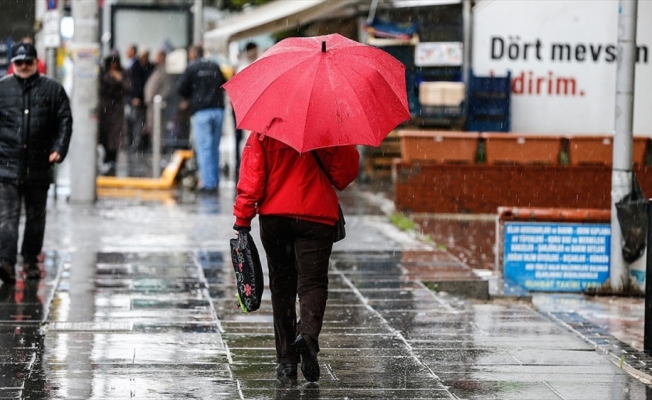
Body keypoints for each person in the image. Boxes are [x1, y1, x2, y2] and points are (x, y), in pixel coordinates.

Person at [233, 134, 359, 384]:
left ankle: (286, 363)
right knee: (313, 283)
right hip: (316, 215)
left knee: (282, 286)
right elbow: (344, 174)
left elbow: (253, 175)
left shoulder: (265, 128)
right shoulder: (329, 126)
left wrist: (243, 217)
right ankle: (308, 337)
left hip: (275, 216)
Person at [0, 42, 72, 284]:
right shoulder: (3, 89)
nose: (23, 66)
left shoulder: (52, 90)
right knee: (7, 217)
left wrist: (58, 149)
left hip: (39, 164)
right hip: (7, 163)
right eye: (18, 62)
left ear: (35, 63)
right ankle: (6, 262)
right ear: (12, 64)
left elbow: (64, 120)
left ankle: (30, 260)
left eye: (27, 62)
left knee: (35, 217)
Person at [177, 44, 228, 194]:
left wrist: (191, 97)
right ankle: (215, 181)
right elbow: (225, 84)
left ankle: (208, 184)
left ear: (193, 54)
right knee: (214, 147)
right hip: (218, 110)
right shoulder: (214, 66)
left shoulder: (192, 68)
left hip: (201, 112)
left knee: (204, 148)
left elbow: (181, 88)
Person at [99, 52, 129, 176]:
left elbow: (128, 87)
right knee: (104, 138)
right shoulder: (102, 74)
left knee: (114, 139)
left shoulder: (123, 74)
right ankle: (106, 162)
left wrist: (119, 79)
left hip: (116, 110)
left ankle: (112, 163)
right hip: (104, 109)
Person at [233, 42, 259, 183]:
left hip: (255, 108)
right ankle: (249, 166)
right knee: (248, 139)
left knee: (253, 139)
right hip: (248, 109)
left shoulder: (259, 64)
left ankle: (252, 166)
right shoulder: (243, 67)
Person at [127, 48, 154, 152]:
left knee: (143, 123)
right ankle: (136, 144)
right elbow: (135, 83)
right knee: (136, 123)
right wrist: (135, 96)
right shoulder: (136, 67)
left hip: (145, 100)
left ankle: (141, 144)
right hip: (138, 99)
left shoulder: (148, 67)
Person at [144, 49, 172, 142]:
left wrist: (159, 98)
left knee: (158, 126)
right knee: (152, 126)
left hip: (158, 105)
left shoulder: (165, 70)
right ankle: (154, 145)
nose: (156, 58)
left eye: (158, 56)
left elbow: (167, 88)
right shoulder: (157, 69)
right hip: (152, 105)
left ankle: (159, 146)